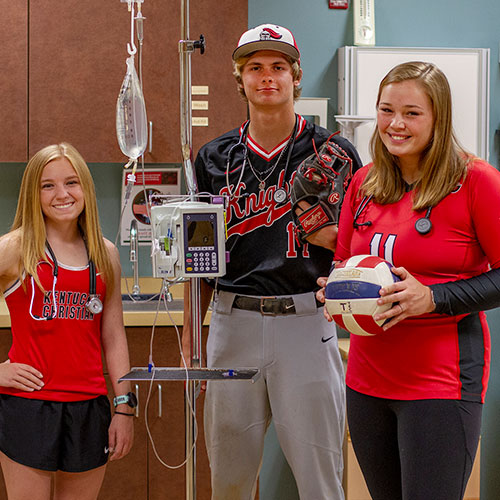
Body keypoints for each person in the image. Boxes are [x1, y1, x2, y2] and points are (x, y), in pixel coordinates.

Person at [182, 24, 362, 500]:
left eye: (278, 67)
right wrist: (190, 335)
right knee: (230, 482)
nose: (267, 77)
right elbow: (199, 260)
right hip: (231, 320)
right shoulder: (213, 158)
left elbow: (364, 244)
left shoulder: (334, 152)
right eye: (255, 68)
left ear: (295, 77)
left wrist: (332, 236)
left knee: (321, 482)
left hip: (306, 319)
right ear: (239, 79)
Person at [317, 61, 500, 500]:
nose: (395, 124)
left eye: (412, 113)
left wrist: (433, 297)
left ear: (438, 117)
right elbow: (344, 262)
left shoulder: (475, 181)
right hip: (366, 380)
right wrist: (334, 294)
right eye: (386, 110)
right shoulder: (364, 183)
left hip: (440, 381)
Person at [0, 143, 135, 500]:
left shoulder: (105, 254)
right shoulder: (15, 248)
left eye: (71, 182)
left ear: (85, 188)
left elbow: (114, 337)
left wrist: (124, 407)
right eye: (48, 185)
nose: (62, 194)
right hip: (28, 405)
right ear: (34, 192)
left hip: (90, 406)